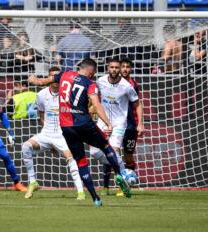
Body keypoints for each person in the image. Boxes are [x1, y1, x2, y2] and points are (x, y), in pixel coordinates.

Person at [28, 58, 131, 207]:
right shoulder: (90, 84)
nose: (93, 75)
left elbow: (42, 82)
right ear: (90, 71)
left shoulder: (64, 75)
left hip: (66, 127)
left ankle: (95, 198)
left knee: (81, 161)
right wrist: (108, 123)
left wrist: (33, 79)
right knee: (106, 146)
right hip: (84, 124)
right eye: (93, 73)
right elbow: (96, 104)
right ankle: (119, 175)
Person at [22, 67, 85, 200]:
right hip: (46, 134)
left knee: (71, 157)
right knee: (25, 146)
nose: (55, 79)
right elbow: (41, 114)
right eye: (52, 76)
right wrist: (49, 141)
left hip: (62, 135)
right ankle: (32, 181)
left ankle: (80, 191)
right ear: (49, 78)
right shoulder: (41, 95)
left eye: (57, 76)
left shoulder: (68, 94)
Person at [89, 57, 142, 197]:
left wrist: (140, 123)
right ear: (108, 68)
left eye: (117, 68)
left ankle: (121, 184)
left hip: (119, 124)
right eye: (112, 67)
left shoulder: (126, 86)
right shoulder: (100, 81)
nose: (114, 70)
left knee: (112, 150)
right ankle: (123, 173)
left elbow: (137, 104)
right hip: (103, 122)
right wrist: (92, 108)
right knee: (95, 153)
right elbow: (93, 97)